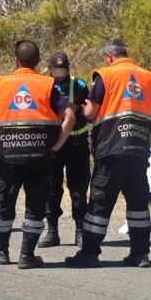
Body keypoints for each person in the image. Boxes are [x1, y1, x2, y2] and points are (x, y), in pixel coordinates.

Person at [0, 40, 75, 269]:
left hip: (8, 157)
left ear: (15, 61)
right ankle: (27, 256)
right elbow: (70, 116)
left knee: (5, 205)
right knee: (35, 206)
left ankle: (1, 252)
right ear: (38, 62)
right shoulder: (47, 84)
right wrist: (56, 146)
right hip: (40, 157)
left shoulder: (1, 84)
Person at [66, 38, 151, 268]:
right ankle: (140, 254)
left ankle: (89, 253)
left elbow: (92, 111)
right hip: (139, 149)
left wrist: (85, 109)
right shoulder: (147, 77)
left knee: (99, 205)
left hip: (112, 147)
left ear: (108, 57)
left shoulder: (106, 75)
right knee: (138, 205)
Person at [38, 51, 91, 249]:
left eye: (63, 69)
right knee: (52, 188)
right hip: (54, 145)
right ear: (49, 68)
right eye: (56, 69)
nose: (59, 72)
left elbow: (86, 109)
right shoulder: (44, 85)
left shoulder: (79, 85)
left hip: (77, 143)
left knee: (78, 189)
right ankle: (52, 230)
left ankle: (80, 230)